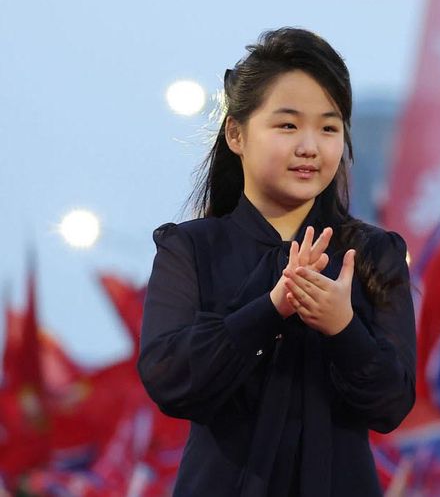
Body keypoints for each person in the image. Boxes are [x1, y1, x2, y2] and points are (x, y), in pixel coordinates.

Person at [138, 28, 416, 496]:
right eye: (287, 125)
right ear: (236, 133)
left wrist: (343, 327)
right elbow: (169, 378)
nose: (310, 146)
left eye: (329, 128)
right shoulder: (189, 248)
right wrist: (270, 309)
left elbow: (392, 403)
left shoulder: (372, 254)